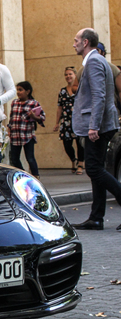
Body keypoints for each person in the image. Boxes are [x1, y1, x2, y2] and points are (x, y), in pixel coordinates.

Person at [70, 28, 121, 231]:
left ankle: (97, 216)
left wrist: (93, 126)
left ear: (86, 42)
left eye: (76, 40)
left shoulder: (93, 62)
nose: (73, 43)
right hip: (100, 124)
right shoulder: (97, 61)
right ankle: (96, 218)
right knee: (96, 168)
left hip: (97, 126)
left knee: (93, 168)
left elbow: (99, 96)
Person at [7, 81, 45, 178]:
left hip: (27, 135)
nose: (18, 92)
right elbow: (11, 117)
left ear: (27, 91)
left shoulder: (33, 103)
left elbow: (42, 117)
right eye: (17, 90)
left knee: (30, 157)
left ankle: (36, 176)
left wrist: (34, 116)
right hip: (15, 135)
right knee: (14, 158)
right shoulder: (14, 103)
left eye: (21, 90)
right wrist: (9, 128)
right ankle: (23, 175)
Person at [53, 67, 84, 174]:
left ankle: (80, 164)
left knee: (80, 143)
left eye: (70, 74)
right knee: (67, 143)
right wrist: (57, 122)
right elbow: (59, 107)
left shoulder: (80, 89)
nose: (68, 76)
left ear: (75, 75)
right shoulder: (62, 91)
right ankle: (73, 160)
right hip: (66, 120)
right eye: (66, 74)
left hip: (79, 119)